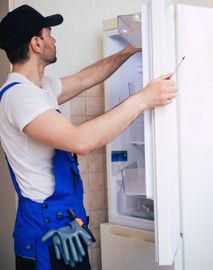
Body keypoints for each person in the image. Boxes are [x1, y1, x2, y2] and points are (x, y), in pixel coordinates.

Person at [0, 4, 176, 270]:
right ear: (36, 44)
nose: (54, 39)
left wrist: (129, 50)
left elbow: (85, 79)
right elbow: (80, 142)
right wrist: (143, 99)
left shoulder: (40, 88)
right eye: (49, 33)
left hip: (65, 222)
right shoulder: (18, 96)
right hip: (43, 233)